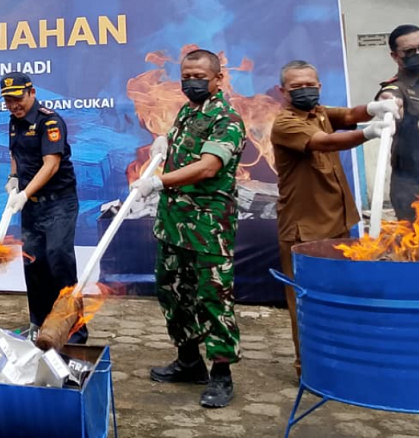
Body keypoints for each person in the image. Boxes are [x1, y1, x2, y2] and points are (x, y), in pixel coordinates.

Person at [130, 49, 245, 409]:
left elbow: (208, 167)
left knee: (213, 298)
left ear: (217, 79)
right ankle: (189, 361)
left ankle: (222, 374)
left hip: (208, 227)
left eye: (199, 76)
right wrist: (162, 143)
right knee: (173, 293)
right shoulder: (187, 112)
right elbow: (181, 149)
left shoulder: (227, 119)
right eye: (186, 75)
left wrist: (158, 183)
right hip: (173, 224)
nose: (191, 82)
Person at [272, 60, 399, 376]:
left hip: (339, 223)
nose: (305, 91)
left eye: (310, 84)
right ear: (283, 91)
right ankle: (310, 367)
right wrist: (369, 133)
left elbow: (352, 115)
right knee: (306, 302)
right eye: (296, 87)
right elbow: (323, 142)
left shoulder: (321, 113)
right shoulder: (285, 123)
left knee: (339, 296)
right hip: (305, 231)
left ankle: (342, 360)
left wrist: (377, 106)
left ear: (319, 85)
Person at [0, 72, 84, 343]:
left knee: (59, 260)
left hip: (58, 203)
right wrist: (13, 178)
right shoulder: (14, 123)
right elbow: (16, 154)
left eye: (18, 98)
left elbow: (52, 165)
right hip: (32, 206)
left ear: (31, 92)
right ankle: (39, 323)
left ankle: (74, 329)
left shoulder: (49, 121)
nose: (14, 105)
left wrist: (24, 193)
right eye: (8, 100)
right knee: (33, 263)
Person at [375, 24, 419, 221]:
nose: (417, 54)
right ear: (395, 56)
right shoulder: (397, 87)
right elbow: (388, 98)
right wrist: (388, 103)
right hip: (412, 183)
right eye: (410, 51)